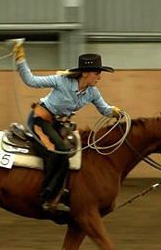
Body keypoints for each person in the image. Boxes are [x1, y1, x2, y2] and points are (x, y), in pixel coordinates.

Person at [12, 41, 122, 214]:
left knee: (68, 153)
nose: (99, 77)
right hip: (40, 120)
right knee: (59, 150)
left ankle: (56, 194)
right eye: (97, 73)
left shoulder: (92, 92)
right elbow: (31, 81)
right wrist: (20, 59)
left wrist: (115, 111)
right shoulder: (60, 81)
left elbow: (104, 109)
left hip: (58, 125)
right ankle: (46, 197)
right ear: (85, 73)